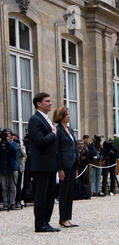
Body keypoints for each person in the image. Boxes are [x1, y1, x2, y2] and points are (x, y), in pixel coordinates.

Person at [28, 92, 59, 232]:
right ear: (38, 104)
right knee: (42, 195)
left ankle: (46, 221)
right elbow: (39, 142)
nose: (50, 103)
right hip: (42, 164)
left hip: (51, 164)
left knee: (50, 194)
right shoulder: (35, 120)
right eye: (47, 101)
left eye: (50, 101)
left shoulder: (47, 120)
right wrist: (53, 134)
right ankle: (40, 224)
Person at [54, 107, 80, 228]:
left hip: (72, 164)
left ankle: (67, 218)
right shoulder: (58, 130)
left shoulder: (70, 129)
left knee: (70, 193)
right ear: (61, 116)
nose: (69, 116)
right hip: (64, 166)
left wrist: (76, 166)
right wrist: (59, 169)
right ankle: (63, 219)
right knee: (64, 193)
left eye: (69, 114)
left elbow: (74, 148)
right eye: (67, 114)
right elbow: (57, 151)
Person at [0, 128, 19, 211]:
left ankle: (12, 203)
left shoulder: (14, 144)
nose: (6, 135)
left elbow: (15, 151)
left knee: (12, 186)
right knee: (4, 187)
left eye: (8, 134)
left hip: (12, 168)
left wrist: (8, 142)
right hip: (3, 168)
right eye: (5, 134)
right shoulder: (1, 144)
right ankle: (5, 203)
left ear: (11, 135)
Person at [15, 135, 26, 209]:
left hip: (20, 169)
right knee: (14, 185)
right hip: (14, 169)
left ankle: (18, 200)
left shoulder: (21, 148)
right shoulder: (12, 148)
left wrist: (19, 148)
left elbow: (25, 155)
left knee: (19, 185)